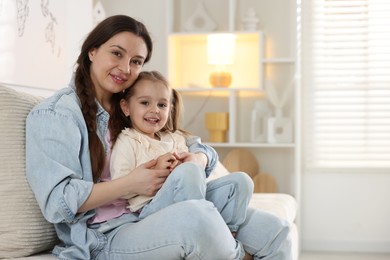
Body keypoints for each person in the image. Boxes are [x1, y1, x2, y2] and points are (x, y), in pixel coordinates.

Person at [25, 14, 292, 259]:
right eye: (116, 54)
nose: (125, 68)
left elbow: (195, 145)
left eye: (136, 61)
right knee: (197, 219)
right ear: (92, 51)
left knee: (277, 230)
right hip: (107, 233)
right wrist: (132, 183)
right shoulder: (56, 115)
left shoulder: (136, 102)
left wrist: (197, 159)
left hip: (165, 206)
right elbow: (57, 203)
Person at [109, 70, 250, 235]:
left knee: (241, 181)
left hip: (194, 200)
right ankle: (204, 231)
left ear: (170, 108)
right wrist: (158, 171)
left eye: (162, 105)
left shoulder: (176, 137)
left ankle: (228, 232)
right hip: (152, 208)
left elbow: (198, 167)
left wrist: (188, 163)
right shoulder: (128, 141)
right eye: (145, 103)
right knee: (188, 171)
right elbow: (120, 186)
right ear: (126, 107)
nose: (155, 110)